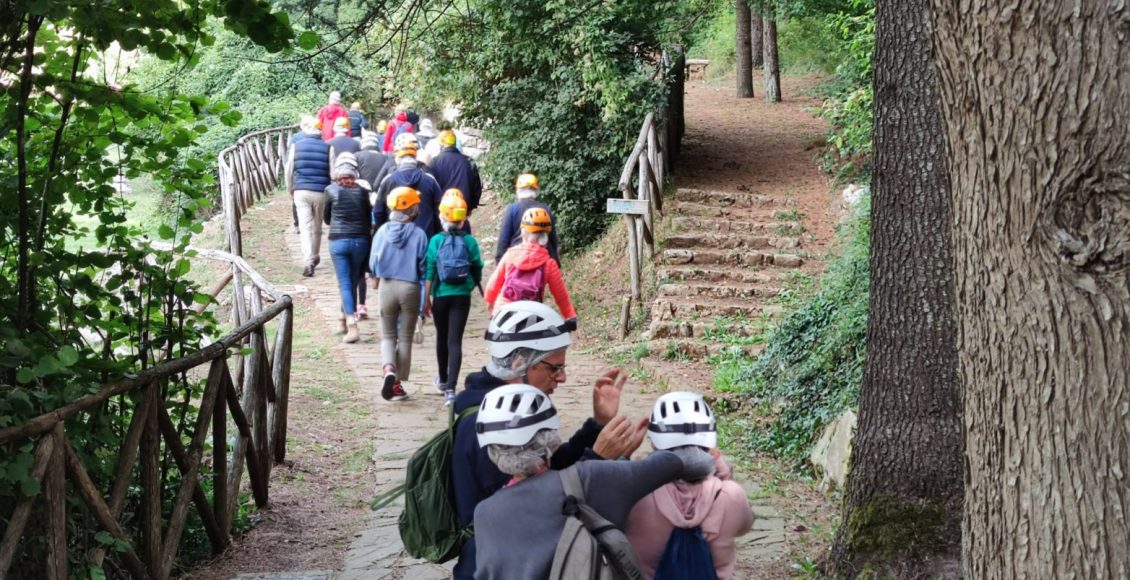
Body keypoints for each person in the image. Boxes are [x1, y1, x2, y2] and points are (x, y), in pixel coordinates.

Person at [450, 301, 637, 580]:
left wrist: (596, 425)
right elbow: (535, 506)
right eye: (554, 367)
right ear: (519, 363)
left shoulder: (508, 408)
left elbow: (550, 465)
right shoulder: (486, 426)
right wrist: (596, 459)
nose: (562, 377)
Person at [472, 385, 717, 580]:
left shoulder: (484, 514)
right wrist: (624, 460)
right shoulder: (590, 478)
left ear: (492, 451)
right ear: (551, 440)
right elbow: (682, 462)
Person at [626, 392, 754, 580]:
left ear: (654, 439)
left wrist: (626, 460)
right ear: (710, 439)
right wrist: (720, 464)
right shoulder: (731, 496)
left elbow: (601, 505)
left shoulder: (634, 492)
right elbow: (745, 525)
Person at [422, 191, 484, 405]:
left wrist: (426, 298)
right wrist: (469, 285)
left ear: (442, 217)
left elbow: (429, 270)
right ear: (463, 218)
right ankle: (451, 389)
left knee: (442, 337)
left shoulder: (436, 241)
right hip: (461, 297)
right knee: (455, 340)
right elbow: (477, 267)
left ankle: (442, 379)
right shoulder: (470, 242)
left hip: (440, 295)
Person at [370, 186, 428, 401]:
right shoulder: (420, 234)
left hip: (386, 286)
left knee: (387, 335)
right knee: (404, 337)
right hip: (410, 287)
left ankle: (388, 369)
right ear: (412, 210)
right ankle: (397, 384)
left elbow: (373, 262)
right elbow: (423, 265)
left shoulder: (382, 231)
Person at [485, 207, 576, 321]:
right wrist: (570, 315)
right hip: (531, 316)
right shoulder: (549, 263)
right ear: (546, 235)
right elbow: (561, 295)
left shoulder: (510, 255)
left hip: (503, 313)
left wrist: (490, 301)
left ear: (523, 232)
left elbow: (493, 283)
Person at [323, 153, 372, 343]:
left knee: (344, 282)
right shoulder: (362, 192)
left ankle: (351, 324)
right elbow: (368, 218)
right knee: (352, 281)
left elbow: (327, 218)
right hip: (361, 240)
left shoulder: (330, 190)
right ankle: (342, 318)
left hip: (338, 240)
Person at [373, 133, 444, 238]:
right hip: (425, 236)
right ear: (415, 158)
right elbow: (440, 209)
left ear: (398, 159)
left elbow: (378, 211)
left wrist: (384, 232)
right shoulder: (429, 179)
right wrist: (436, 233)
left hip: (395, 237)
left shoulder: (388, 180)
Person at [285, 118, 331, 277]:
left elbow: (289, 170)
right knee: (317, 227)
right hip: (321, 191)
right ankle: (315, 255)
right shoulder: (328, 147)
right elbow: (332, 173)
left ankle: (308, 260)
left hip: (301, 191)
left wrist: (290, 188)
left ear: (306, 132)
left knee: (304, 227)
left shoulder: (296, 146)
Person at [496, 173, 560, 264]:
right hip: (543, 260)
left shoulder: (512, 209)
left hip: (517, 260)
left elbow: (503, 240)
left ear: (518, 190)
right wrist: (555, 261)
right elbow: (553, 239)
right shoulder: (545, 209)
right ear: (535, 191)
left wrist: (499, 263)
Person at [428, 130, 482, 225]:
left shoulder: (434, 163)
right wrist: (470, 208)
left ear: (441, 143)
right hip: (462, 210)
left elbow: (430, 189)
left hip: (442, 212)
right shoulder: (469, 161)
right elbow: (477, 187)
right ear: (455, 142)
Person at [288, 115, 319, 233]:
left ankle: (297, 224)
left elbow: (289, 158)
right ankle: (313, 224)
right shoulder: (318, 136)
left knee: (297, 199)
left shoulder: (295, 138)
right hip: (315, 170)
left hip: (298, 170)